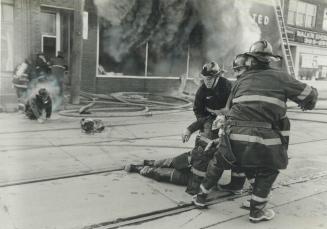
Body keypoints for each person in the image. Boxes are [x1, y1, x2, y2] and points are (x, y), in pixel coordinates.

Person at [192, 40, 318, 223]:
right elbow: (310, 97)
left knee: (220, 160)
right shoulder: (282, 77)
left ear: (250, 61)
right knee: (269, 168)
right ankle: (257, 211)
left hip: (232, 134)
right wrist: (308, 97)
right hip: (263, 137)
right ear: (269, 60)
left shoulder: (240, 81)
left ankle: (200, 197)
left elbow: (228, 110)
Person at [125, 116, 222, 195]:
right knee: (169, 162)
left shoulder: (226, 137)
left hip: (195, 175)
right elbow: (197, 123)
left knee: (161, 174)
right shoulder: (208, 121)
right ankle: (152, 163)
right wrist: (188, 130)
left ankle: (138, 168)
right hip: (190, 158)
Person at [192, 61, 247, 193]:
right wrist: (205, 123)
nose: (207, 81)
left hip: (228, 119)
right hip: (210, 119)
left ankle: (236, 184)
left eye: (210, 78)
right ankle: (200, 179)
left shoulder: (227, 86)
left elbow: (235, 107)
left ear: (217, 76)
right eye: (205, 78)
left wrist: (225, 120)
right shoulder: (201, 90)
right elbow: (197, 110)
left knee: (236, 147)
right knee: (204, 144)